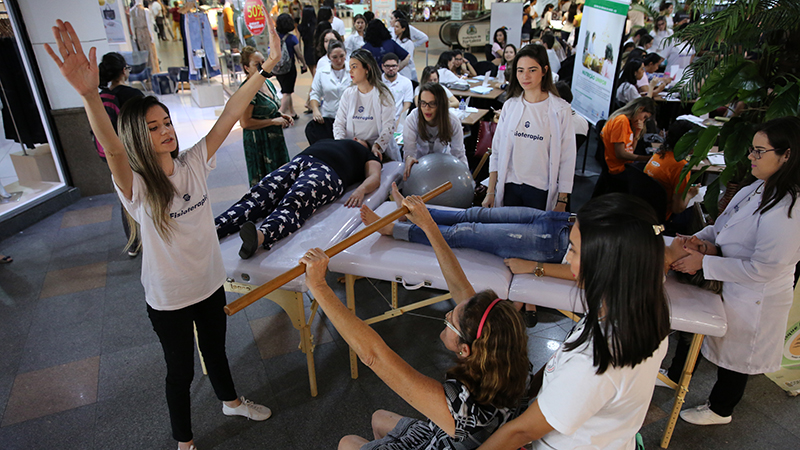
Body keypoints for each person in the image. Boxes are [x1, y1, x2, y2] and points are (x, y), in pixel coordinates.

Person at [44, 18, 278, 450]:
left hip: (208, 284)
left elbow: (229, 114)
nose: (166, 130)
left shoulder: (192, 163)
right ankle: (184, 441)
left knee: (217, 351)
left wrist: (264, 71)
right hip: (169, 298)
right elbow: (113, 149)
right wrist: (88, 96)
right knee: (181, 371)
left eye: (166, 122)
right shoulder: (136, 184)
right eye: (153, 127)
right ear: (138, 134)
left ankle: (230, 400)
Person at [303, 192, 532, 450]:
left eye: (450, 322)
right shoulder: (510, 359)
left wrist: (319, 286)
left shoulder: (463, 408)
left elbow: (373, 356)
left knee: (348, 443)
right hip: (449, 434)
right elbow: (462, 291)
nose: (447, 315)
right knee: (379, 418)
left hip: (445, 441)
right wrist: (428, 225)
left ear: (465, 350)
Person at [477, 193, 671, 449]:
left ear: (605, 265)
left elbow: (521, 432)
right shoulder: (643, 305)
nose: (567, 258)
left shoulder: (594, 361)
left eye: (575, 250)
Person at [665, 116, 800, 425]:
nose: (751, 156)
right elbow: (723, 225)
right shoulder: (756, 188)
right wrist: (701, 241)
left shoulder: (789, 209)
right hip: (729, 282)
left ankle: (721, 409)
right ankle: (676, 376)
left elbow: (763, 268)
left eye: (759, 151)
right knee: (707, 338)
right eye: (752, 149)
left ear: (787, 155)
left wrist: (705, 262)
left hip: (755, 296)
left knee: (739, 358)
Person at [216, 139, 382, 259]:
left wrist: (361, 190)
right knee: (259, 195)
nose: (357, 138)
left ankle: (260, 236)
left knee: (295, 202)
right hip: (299, 161)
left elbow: (375, 177)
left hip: (329, 172)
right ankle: (215, 228)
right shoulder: (332, 140)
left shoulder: (366, 153)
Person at [362, 184, 572, 265]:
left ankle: (395, 230)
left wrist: (536, 268)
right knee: (473, 214)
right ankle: (410, 213)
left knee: (465, 232)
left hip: (555, 245)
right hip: (557, 220)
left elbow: (583, 274)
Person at [484, 44, 576, 212]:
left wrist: (562, 200)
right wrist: (491, 191)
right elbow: (496, 151)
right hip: (510, 185)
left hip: (541, 190)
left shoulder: (561, 110)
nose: (525, 76)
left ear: (544, 70)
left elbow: (567, 158)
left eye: (532, 70)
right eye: (520, 70)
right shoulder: (510, 106)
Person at [97, 52, 146, 256]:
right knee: (146, 192)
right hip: (136, 152)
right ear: (124, 70)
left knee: (126, 195)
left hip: (112, 156)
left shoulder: (101, 98)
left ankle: (133, 243)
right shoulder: (133, 95)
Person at [238, 46, 292, 186]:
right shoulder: (248, 89)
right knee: (265, 183)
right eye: (257, 64)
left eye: (264, 61)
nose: (263, 66)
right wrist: (273, 121)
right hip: (259, 141)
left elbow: (268, 109)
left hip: (274, 138)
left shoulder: (267, 83)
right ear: (246, 68)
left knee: (281, 177)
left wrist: (281, 115)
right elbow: (245, 123)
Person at [334, 49, 399, 161]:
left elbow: (389, 126)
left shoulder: (383, 94)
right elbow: (339, 123)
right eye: (350, 68)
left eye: (354, 67)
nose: (350, 72)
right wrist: (342, 145)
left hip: (377, 151)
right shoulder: (348, 94)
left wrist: (377, 146)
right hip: (352, 150)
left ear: (367, 68)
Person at [403, 83, 466, 180]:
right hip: (419, 164)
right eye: (423, 103)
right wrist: (408, 159)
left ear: (441, 105)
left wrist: (465, 176)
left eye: (432, 103)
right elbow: (409, 151)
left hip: (444, 162)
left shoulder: (452, 121)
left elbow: (458, 154)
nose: (426, 108)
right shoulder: (412, 119)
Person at [643, 119, 699, 221]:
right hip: (664, 218)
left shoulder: (658, 154)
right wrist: (690, 195)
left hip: (645, 211)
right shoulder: (681, 166)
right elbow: (677, 208)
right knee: (694, 213)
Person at [306, 41, 349, 145]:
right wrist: (316, 110)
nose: (339, 60)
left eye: (341, 56)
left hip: (350, 117)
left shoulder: (353, 70)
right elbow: (315, 93)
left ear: (346, 54)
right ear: (329, 57)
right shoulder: (321, 72)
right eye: (334, 57)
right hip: (329, 116)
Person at [601, 96, 656, 175]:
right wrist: (647, 159)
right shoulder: (621, 121)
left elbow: (630, 150)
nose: (642, 121)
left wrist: (638, 131)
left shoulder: (627, 122)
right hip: (618, 168)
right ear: (640, 109)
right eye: (644, 117)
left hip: (625, 164)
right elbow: (620, 154)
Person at [274, 13, 307, 119]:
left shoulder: (275, 37)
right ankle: (280, 114)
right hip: (289, 68)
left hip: (278, 68)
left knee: (286, 89)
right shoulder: (292, 38)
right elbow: (299, 54)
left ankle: (292, 111)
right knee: (287, 92)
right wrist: (304, 64)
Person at [381, 53, 414, 127]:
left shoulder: (406, 82)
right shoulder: (377, 82)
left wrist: (400, 123)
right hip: (380, 123)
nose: (391, 69)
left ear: (398, 66)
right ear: (382, 66)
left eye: (394, 66)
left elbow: (407, 106)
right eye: (387, 66)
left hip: (399, 124)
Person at [392, 17, 417, 82]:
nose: (395, 29)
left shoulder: (409, 43)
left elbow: (409, 59)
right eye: (394, 26)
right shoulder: (394, 41)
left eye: (397, 27)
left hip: (406, 72)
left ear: (403, 29)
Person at [299, 5, 317, 75]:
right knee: (317, 71)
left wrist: (300, 56)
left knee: (312, 72)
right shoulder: (317, 26)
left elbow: (298, 42)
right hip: (316, 51)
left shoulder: (300, 27)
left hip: (307, 51)